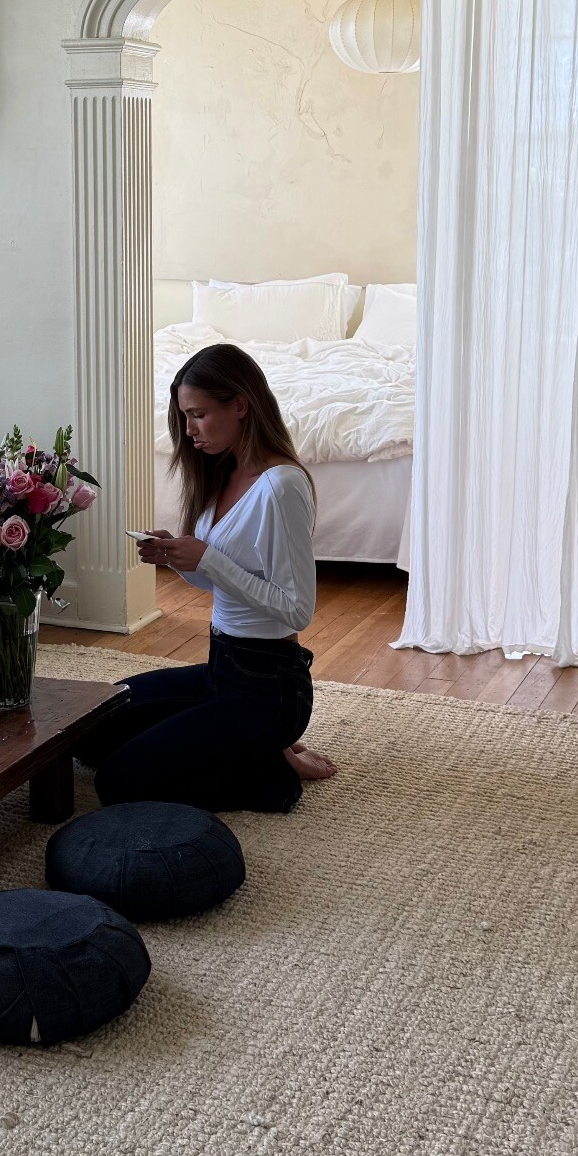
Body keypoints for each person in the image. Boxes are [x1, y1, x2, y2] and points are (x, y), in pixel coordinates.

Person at [80, 342, 336, 811]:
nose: (188, 430)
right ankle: (251, 746)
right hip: (223, 669)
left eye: (198, 414)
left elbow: (296, 608)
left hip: (268, 687)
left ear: (240, 404)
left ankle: (272, 773)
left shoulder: (281, 487)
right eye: (184, 416)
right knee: (90, 727)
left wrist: (209, 559)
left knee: (119, 783)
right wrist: (180, 558)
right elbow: (219, 582)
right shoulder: (223, 470)